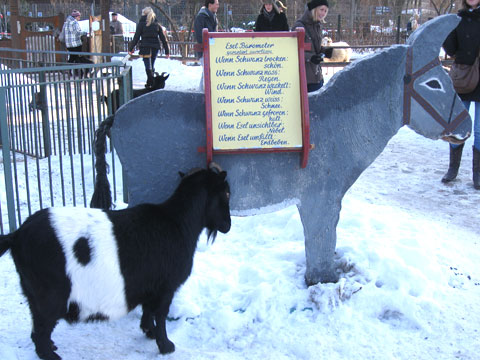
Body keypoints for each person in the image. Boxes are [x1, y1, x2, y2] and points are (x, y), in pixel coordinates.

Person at [442, 0, 480, 189]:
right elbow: (451, 48)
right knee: (457, 126)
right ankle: (453, 169)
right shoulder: (459, 18)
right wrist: (446, 30)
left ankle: (478, 174)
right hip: (463, 78)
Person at [292, 0, 333, 93]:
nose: (323, 13)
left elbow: (314, 48)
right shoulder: (299, 26)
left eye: (325, 11)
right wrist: (311, 58)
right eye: (321, 10)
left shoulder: (317, 25)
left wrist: (324, 51)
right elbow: (293, 51)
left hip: (316, 76)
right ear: (315, 9)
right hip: (303, 79)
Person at [128, 7, 170, 88]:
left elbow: (136, 37)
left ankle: (150, 82)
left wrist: (131, 49)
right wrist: (167, 51)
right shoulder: (157, 24)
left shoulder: (141, 24)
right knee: (152, 65)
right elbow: (163, 38)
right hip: (155, 47)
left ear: (144, 14)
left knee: (148, 66)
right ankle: (150, 82)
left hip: (145, 47)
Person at [194, 0, 220, 91]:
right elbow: (199, 35)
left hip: (211, 49)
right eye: (216, 4)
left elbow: (215, 34)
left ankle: (202, 92)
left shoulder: (213, 17)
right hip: (204, 50)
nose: (218, 6)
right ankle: (202, 92)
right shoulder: (201, 17)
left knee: (207, 71)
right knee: (206, 71)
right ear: (210, 5)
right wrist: (206, 45)